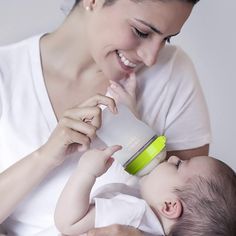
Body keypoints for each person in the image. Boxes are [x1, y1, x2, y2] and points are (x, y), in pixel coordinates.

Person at [0, 0, 212, 235]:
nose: (151, 57)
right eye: (142, 31)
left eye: (167, 39)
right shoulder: (7, 74)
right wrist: (45, 156)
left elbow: (195, 219)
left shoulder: (171, 72)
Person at [54, 144, 236, 236]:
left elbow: (68, 224)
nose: (173, 159)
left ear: (169, 206)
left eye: (179, 165)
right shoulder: (149, 223)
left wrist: (86, 171)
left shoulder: (131, 214)